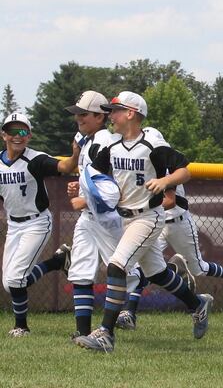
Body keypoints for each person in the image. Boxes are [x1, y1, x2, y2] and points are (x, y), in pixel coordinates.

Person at [74, 91, 212, 352]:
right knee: (156, 272)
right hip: (124, 219)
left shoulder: (151, 143)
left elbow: (185, 170)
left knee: (116, 266)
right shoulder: (112, 146)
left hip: (148, 217)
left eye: (115, 110)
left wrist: (165, 181)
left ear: (131, 113)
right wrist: (83, 190)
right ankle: (197, 304)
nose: (110, 115)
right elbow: (97, 178)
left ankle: (105, 334)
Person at [114, 126, 223, 330]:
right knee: (143, 268)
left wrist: (140, 204)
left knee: (198, 268)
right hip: (152, 223)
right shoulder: (140, 163)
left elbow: (169, 201)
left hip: (176, 223)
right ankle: (129, 313)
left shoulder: (166, 168)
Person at [57, 91, 145, 339]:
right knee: (80, 270)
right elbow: (95, 178)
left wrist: (85, 197)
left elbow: (116, 185)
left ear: (100, 116)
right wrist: (80, 187)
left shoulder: (107, 140)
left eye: (83, 114)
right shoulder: (85, 141)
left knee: (129, 273)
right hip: (88, 218)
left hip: (110, 219)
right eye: (77, 114)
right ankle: (82, 332)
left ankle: (183, 291)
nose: (78, 119)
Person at [1, 112, 80, 337]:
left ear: (30, 135)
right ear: (3, 135)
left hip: (36, 222)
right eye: (13, 131)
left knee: (16, 279)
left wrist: (75, 154)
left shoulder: (35, 159)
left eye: (23, 131)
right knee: (10, 284)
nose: (18, 136)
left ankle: (21, 327)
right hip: (14, 225)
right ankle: (57, 262)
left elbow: (65, 168)